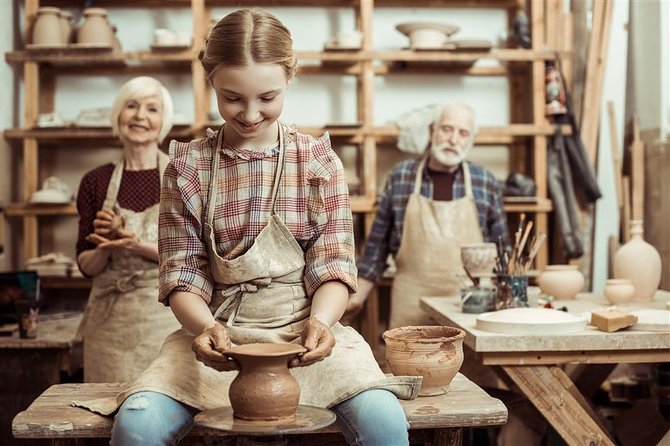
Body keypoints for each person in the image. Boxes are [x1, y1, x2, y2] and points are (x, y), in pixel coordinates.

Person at [72, 9, 420, 446]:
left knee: (383, 421)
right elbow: (183, 273)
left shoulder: (317, 161)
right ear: (211, 80)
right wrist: (203, 329)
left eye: (267, 97)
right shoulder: (188, 166)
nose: (251, 113)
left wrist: (323, 322)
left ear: (289, 79)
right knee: (136, 424)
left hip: (304, 332)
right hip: (217, 333)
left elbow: (333, 264)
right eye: (232, 97)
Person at [343, 103, 511, 328]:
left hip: (469, 305)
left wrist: (508, 308)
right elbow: (376, 249)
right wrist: (356, 299)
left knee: (467, 363)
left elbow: (503, 253)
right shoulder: (402, 177)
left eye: (463, 133)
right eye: (447, 129)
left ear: (470, 140)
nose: (453, 140)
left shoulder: (484, 181)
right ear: (432, 131)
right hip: (411, 301)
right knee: (410, 360)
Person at [75, 76, 182, 382]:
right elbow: (86, 264)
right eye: (131, 106)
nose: (140, 116)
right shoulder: (95, 181)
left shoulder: (180, 175)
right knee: (104, 411)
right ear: (119, 115)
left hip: (166, 317)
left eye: (152, 109)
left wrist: (136, 246)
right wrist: (105, 246)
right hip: (110, 324)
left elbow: (195, 257)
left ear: (163, 121)